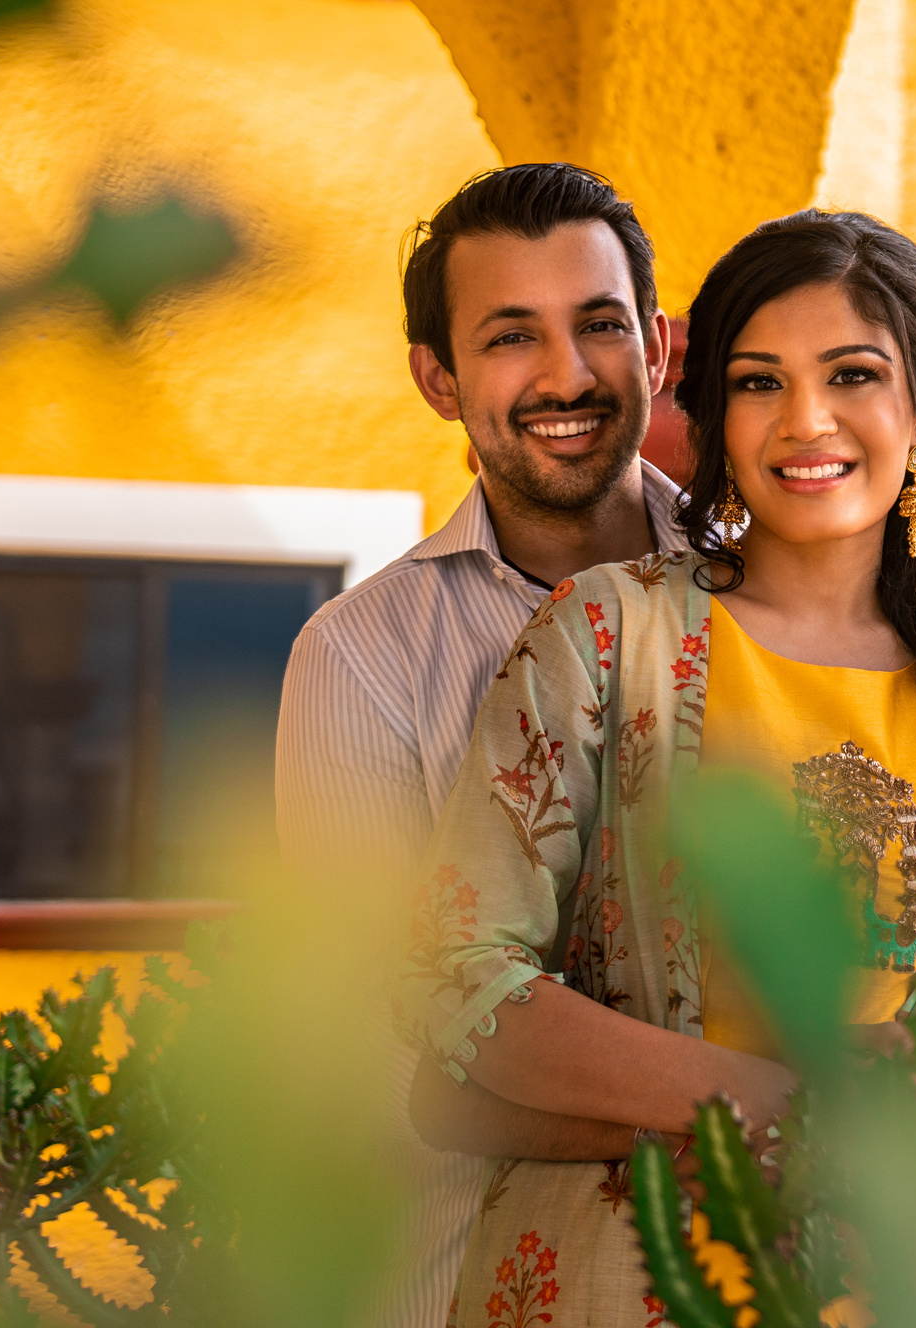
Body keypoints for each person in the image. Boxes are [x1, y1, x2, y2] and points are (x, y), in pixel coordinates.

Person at [401, 209, 916, 1319]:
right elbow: (458, 969)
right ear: (711, 420)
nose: (807, 421)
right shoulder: (606, 638)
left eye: (853, 374)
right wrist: (777, 1099)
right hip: (628, 1273)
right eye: (757, 382)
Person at [275, 162, 687, 1328]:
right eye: (511, 337)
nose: (567, 375)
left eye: (599, 325)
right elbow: (386, 1060)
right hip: (457, 1281)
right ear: (438, 379)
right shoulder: (359, 658)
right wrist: (769, 1114)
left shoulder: (776, 590)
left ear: (654, 345)